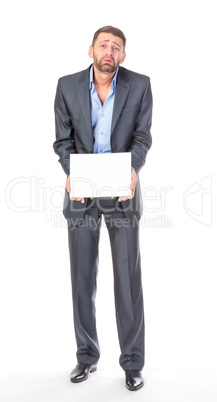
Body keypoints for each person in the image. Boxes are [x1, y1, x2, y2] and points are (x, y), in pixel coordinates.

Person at [53, 25, 152, 391]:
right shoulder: (66, 86)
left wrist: (133, 170)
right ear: (91, 50)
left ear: (123, 56)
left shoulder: (139, 85)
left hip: (122, 189)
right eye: (104, 45)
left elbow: (142, 135)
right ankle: (86, 356)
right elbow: (62, 140)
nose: (109, 51)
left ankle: (132, 363)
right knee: (82, 277)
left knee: (127, 280)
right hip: (81, 191)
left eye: (117, 47)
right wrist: (70, 172)